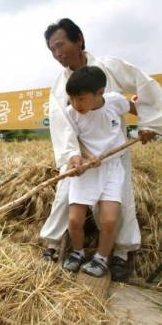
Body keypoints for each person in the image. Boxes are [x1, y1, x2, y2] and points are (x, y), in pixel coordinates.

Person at [39, 18, 162, 281]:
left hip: (113, 156)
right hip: (81, 157)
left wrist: (149, 123)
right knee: (64, 197)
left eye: (61, 45)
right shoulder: (60, 87)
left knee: (121, 204)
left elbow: (143, 87)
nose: (58, 54)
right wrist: (75, 156)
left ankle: (120, 253)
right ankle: (52, 245)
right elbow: (62, 126)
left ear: (79, 39)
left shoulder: (109, 67)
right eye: (52, 50)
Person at [62, 66, 140, 277]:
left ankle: (101, 258)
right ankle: (77, 253)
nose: (76, 104)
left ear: (100, 92)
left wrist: (150, 124)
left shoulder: (114, 101)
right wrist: (85, 157)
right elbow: (74, 140)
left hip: (113, 168)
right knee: (75, 221)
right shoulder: (71, 113)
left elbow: (134, 108)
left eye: (81, 99)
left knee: (109, 220)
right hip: (86, 169)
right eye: (72, 99)